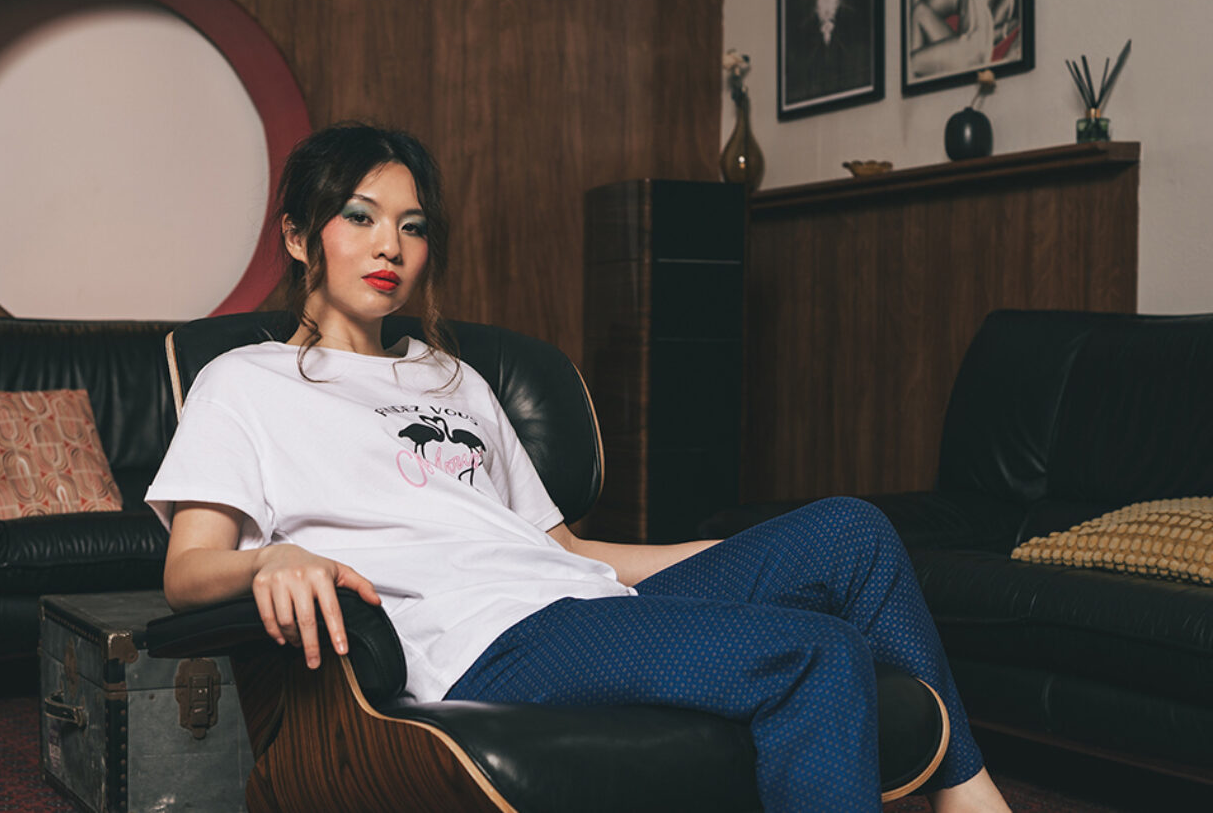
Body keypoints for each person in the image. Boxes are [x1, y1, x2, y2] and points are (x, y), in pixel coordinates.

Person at [146, 123, 1011, 812]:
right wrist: (275, 558)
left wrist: (716, 566)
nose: (392, 248)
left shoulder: (455, 377)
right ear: (300, 235)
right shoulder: (245, 382)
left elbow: (566, 549)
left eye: (413, 226)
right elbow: (187, 573)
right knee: (818, 654)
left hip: (579, 604)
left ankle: (967, 792)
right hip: (485, 642)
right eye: (361, 217)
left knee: (848, 533)